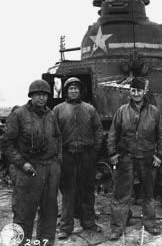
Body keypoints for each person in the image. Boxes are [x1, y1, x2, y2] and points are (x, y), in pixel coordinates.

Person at [108, 77, 162, 240]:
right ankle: (117, 227)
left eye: (139, 91)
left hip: (147, 158)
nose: (136, 93)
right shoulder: (122, 111)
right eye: (133, 90)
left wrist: (159, 155)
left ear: (144, 92)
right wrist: (113, 154)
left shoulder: (154, 112)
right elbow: (113, 134)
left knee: (148, 193)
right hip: (126, 157)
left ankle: (149, 223)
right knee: (121, 194)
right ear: (130, 91)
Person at [2, 79, 61, 246]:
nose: (41, 98)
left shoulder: (51, 115)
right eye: (38, 95)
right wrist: (22, 163)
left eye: (44, 95)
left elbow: (58, 139)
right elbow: (7, 143)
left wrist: (58, 163)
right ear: (31, 96)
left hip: (50, 170)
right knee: (24, 214)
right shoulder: (19, 114)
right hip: (28, 171)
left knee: (49, 212)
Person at [53, 77, 103, 239]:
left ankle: (88, 222)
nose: (73, 91)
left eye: (76, 88)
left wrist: (94, 150)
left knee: (87, 190)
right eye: (70, 88)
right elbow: (53, 133)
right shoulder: (58, 109)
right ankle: (65, 227)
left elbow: (98, 130)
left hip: (86, 155)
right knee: (68, 192)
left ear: (80, 91)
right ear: (66, 91)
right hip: (67, 155)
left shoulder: (89, 109)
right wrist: (58, 153)